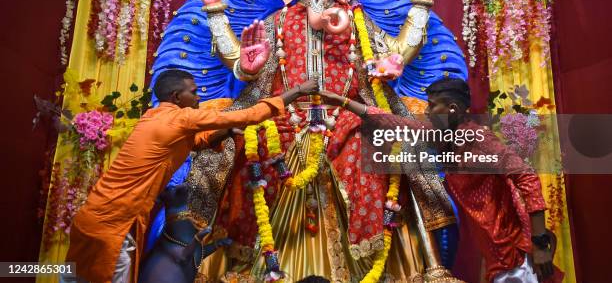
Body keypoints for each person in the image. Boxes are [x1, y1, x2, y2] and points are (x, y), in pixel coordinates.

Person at [63, 69, 318, 283]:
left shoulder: (154, 116)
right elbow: (250, 114)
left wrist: (226, 131)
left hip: (90, 218)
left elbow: (196, 143)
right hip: (113, 226)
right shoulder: (181, 117)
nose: (199, 97)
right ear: (176, 97)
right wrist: (297, 91)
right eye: (193, 92)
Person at [320, 78, 558, 283]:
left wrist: (539, 244)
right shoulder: (445, 137)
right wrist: (341, 101)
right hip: (495, 249)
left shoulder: (478, 139)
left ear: (452, 109)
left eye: (433, 106)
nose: (427, 112)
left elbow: (526, 175)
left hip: (515, 248)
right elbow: (397, 124)